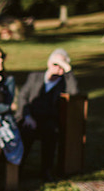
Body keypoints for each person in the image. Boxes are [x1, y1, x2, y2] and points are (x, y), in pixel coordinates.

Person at [13, 47, 79, 179]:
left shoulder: (65, 82)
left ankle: (45, 170)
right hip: (30, 117)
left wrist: (68, 71)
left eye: (61, 66)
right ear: (49, 63)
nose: (57, 69)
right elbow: (22, 97)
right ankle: (18, 169)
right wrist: (26, 116)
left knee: (51, 133)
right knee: (26, 133)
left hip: (49, 119)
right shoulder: (34, 77)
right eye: (55, 64)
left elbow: (74, 94)